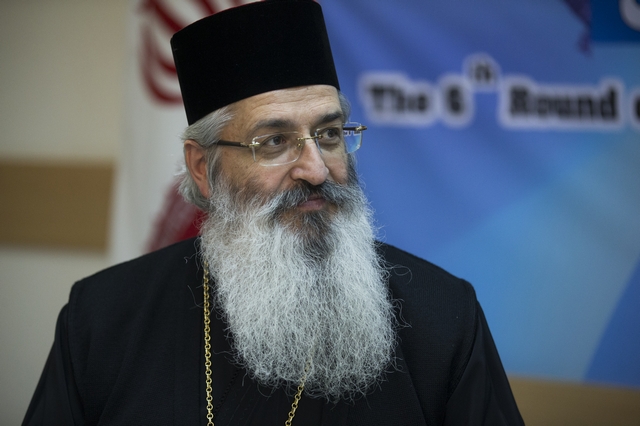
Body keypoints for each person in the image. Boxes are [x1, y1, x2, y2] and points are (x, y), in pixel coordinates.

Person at [23, 1, 524, 424]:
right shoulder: (102, 319)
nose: (317, 169)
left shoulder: (444, 319)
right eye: (274, 142)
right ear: (202, 168)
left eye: (329, 134)